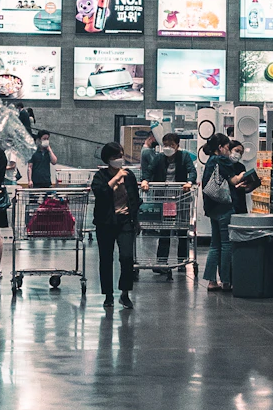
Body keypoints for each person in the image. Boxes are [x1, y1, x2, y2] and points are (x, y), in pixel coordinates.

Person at [90, 139, 139, 304]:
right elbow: (100, 193)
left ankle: (125, 293)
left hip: (125, 221)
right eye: (117, 156)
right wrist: (115, 179)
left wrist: (135, 221)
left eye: (121, 156)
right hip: (105, 223)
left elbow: (135, 199)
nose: (120, 159)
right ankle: (108, 295)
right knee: (106, 258)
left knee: (126, 257)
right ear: (108, 158)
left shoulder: (129, 176)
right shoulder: (100, 176)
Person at [200, 130, 250, 292]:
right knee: (227, 244)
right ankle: (227, 281)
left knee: (215, 245)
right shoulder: (222, 160)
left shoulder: (210, 161)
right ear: (221, 147)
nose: (229, 151)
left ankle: (211, 281)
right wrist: (244, 174)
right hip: (224, 207)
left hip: (211, 206)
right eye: (228, 147)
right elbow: (234, 180)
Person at [141, 129, 193, 277]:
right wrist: (145, 180)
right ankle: (162, 261)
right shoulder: (158, 158)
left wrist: (189, 182)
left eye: (170, 145)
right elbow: (149, 171)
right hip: (164, 199)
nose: (167, 148)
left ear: (177, 145)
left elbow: (192, 171)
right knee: (165, 229)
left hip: (180, 198)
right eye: (165, 145)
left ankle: (182, 261)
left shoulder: (184, 157)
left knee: (182, 229)